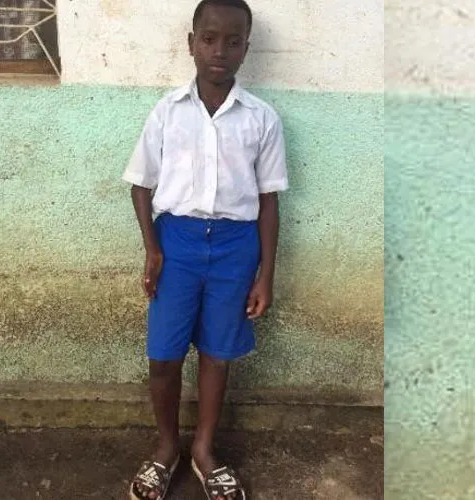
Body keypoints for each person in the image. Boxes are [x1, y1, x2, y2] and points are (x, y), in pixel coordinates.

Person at [123, 0, 288, 498]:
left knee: (218, 355)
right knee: (164, 355)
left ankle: (203, 450)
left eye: (233, 41)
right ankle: (166, 447)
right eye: (209, 39)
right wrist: (153, 249)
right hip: (176, 242)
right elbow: (140, 185)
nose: (220, 51)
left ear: (246, 48)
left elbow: (268, 201)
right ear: (191, 43)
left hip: (237, 248)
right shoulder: (168, 111)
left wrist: (265, 275)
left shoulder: (261, 118)